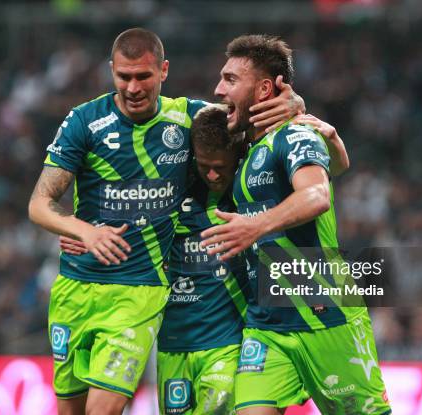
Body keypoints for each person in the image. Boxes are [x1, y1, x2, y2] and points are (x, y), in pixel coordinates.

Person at [28, 28, 304, 415]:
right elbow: (40, 203)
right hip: (76, 286)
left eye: (143, 76)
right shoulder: (84, 122)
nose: (133, 87)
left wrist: (297, 105)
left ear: (163, 72)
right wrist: (83, 230)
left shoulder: (190, 117)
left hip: (140, 292)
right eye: (124, 76)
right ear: (112, 72)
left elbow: (248, 112)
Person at [61, 105, 350, 414]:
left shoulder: (250, 194)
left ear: (237, 158)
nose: (213, 174)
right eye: (205, 165)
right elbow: (130, 219)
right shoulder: (171, 194)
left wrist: (307, 115)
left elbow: (326, 176)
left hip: (228, 343)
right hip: (173, 345)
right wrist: (85, 231)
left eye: (221, 167)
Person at [201, 35, 392, 415]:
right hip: (267, 326)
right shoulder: (247, 148)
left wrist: (254, 226)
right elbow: (337, 166)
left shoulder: (296, 134)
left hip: (327, 315)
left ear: (265, 88)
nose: (218, 89)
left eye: (230, 80)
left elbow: (317, 195)